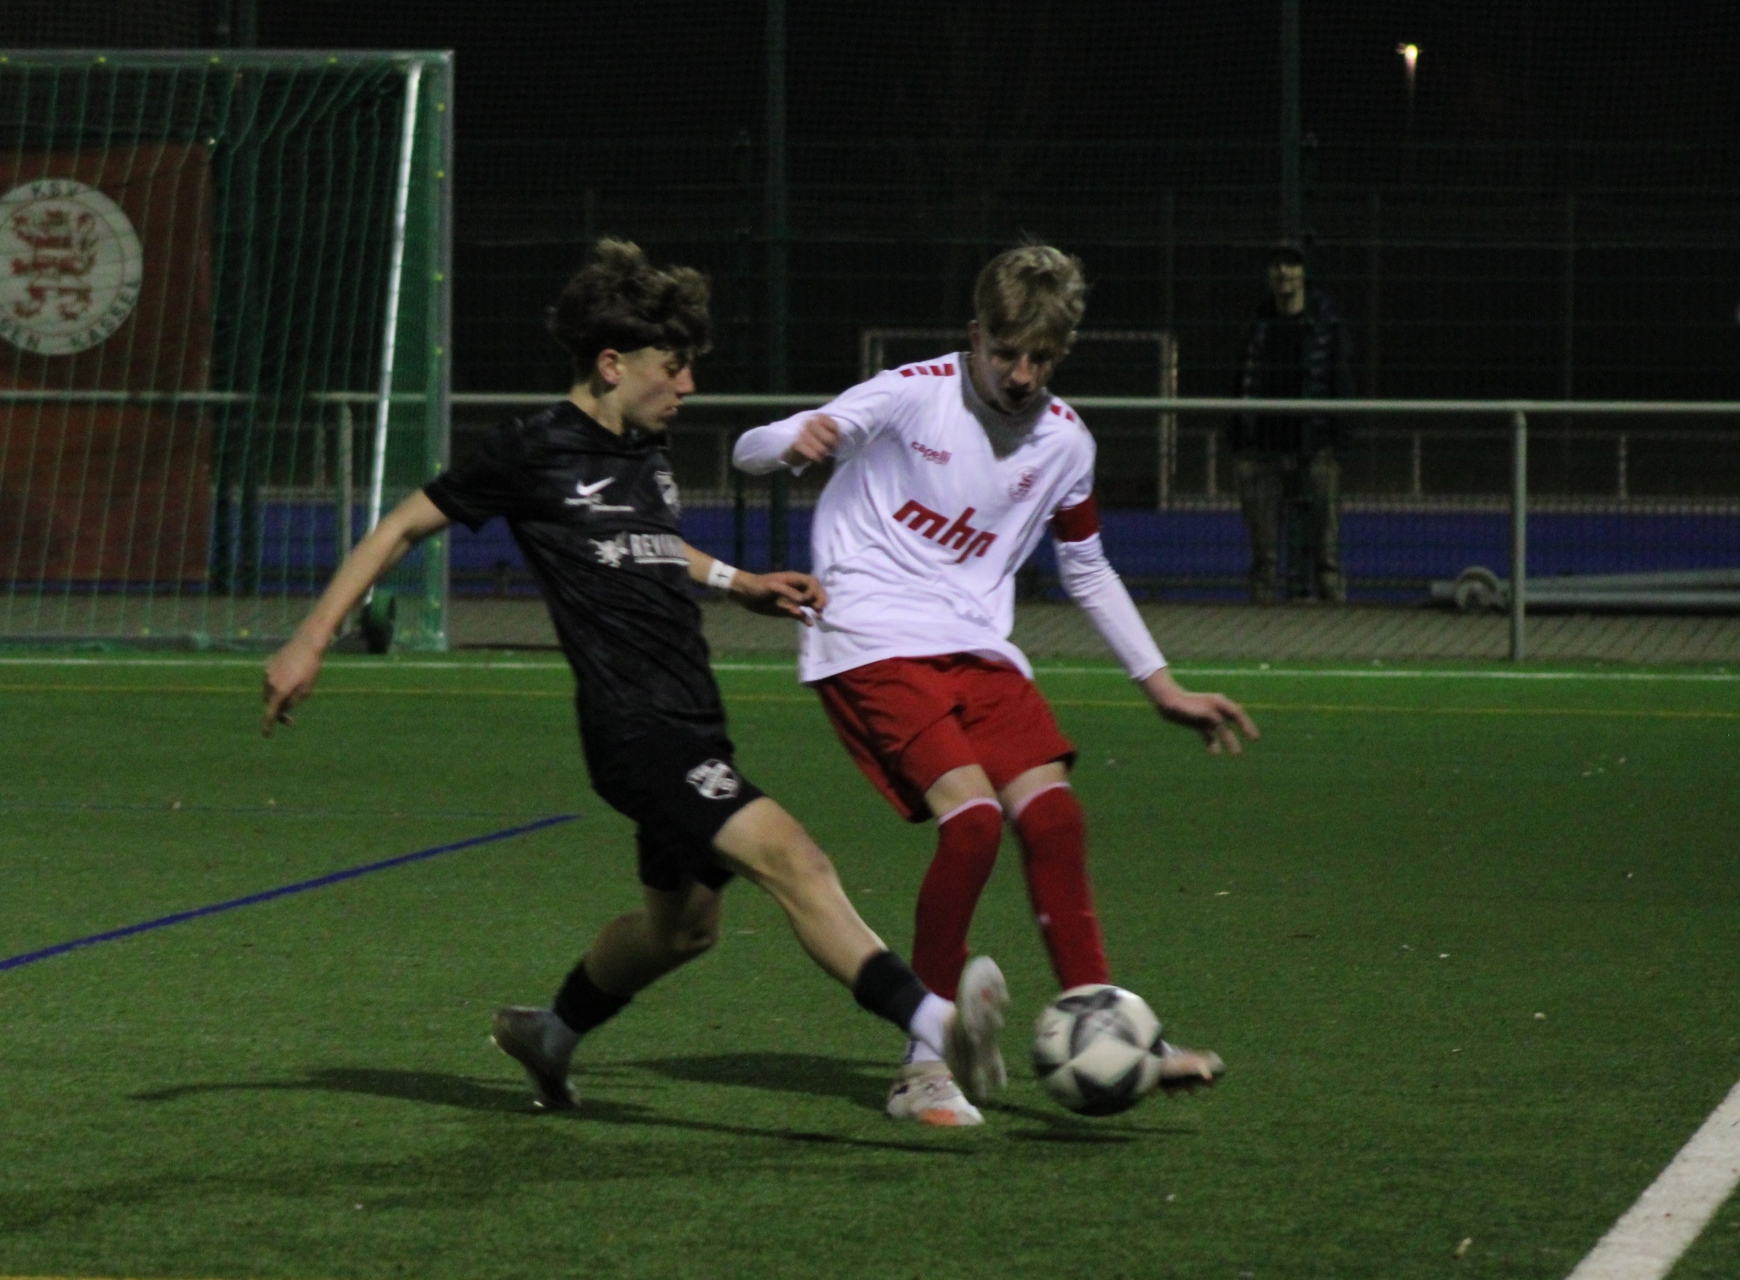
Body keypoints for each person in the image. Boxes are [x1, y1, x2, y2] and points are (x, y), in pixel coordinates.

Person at [261, 239, 1006, 1127]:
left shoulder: (646, 448)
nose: (688, 385)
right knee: (795, 861)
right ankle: (936, 1032)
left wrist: (739, 582)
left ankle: (550, 1035)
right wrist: (310, 639)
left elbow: (646, 544)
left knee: (683, 929)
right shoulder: (533, 449)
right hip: (635, 727)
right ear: (612, 364)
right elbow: (400, 529)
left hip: (692, 714)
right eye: (673, 365)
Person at [733, 242, 1258, 1117]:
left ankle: (1106, 1027)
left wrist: (1161, 686)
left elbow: (1087, 566)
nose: (1021, 375)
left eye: (1040, 358)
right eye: (1006, 352)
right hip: (869, 632)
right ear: (974, 333)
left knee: (1054, 817)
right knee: (973, 821)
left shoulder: (1067, 443)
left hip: (976, 646)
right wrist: (796, 437)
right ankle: (923, 1063)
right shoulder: (911, 393)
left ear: (1063, 351)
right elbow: (750, 449)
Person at [1231, 244, 1355, 605]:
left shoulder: (1326, 325)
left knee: (1326, 550)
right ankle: (1264, 619)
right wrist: (1239, 442)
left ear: (1303, 272)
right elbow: (1239, 383)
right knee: (1264, 555)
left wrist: (1337, 444)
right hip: (1263, 450)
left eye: (1291, 264)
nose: (1283, 272)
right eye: (1276, 265)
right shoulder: (1256, 325)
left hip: (1315, 449)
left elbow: (1341, 382)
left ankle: (1334, 610)